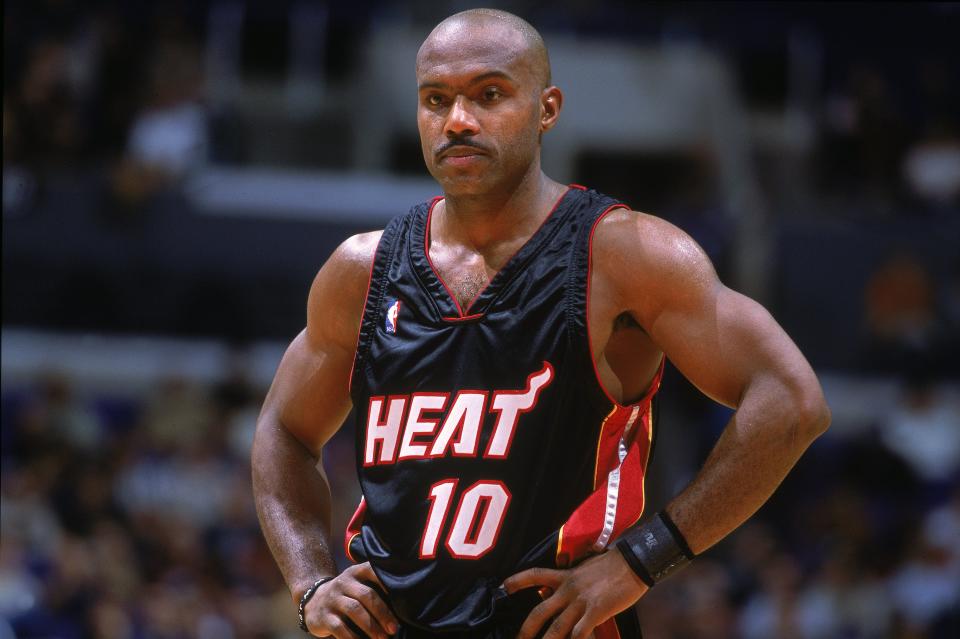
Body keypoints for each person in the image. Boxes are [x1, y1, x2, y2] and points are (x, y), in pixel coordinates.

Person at [252, 9, 830, 639]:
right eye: (435, 100)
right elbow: (283, 430)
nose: (459, 121)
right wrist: (310, 584)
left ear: (547, 109)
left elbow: (790, 403)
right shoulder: (360, 271)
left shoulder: (625, 254)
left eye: (490, 95)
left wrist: (641, 561)